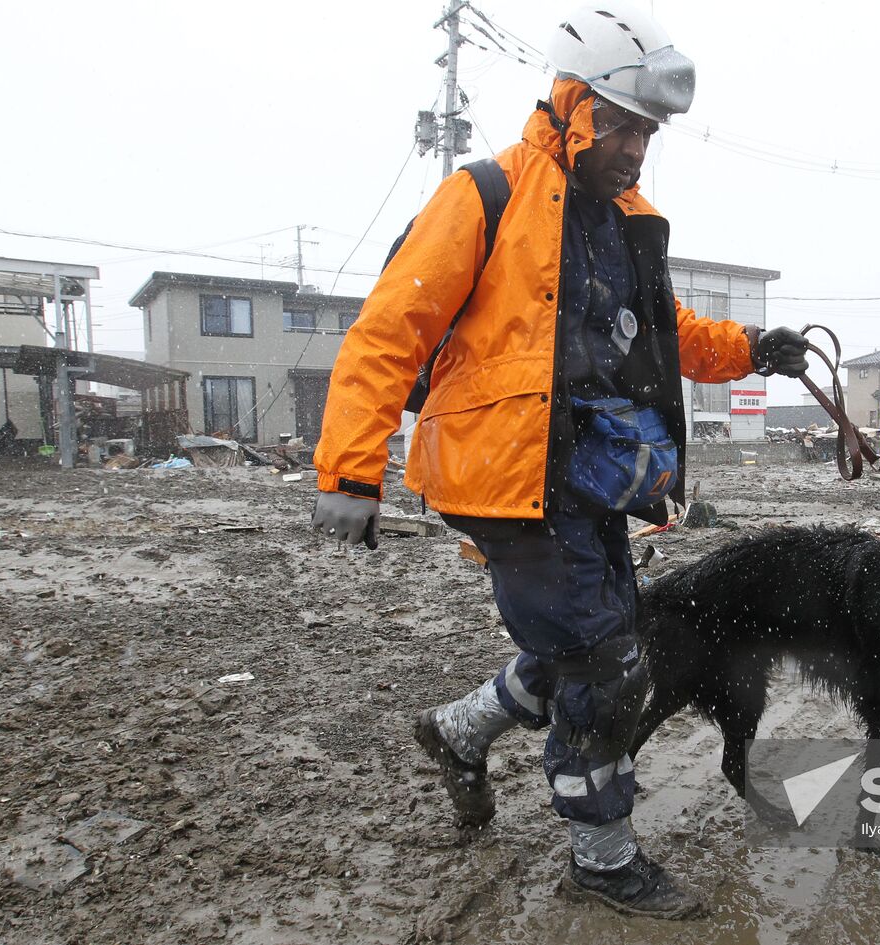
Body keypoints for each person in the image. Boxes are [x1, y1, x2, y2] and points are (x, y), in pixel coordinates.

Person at [309, 1, 809, 921]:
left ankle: (461, 730)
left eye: (647, 135)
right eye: (625, 128)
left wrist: (750, 350)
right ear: (575, 103)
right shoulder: (484, 196)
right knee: (609, 666)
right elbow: (389, 329)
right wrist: (348, 469)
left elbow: (668, 332)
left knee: (600, 644)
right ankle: (602, 856)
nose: (636, 150)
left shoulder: (627, 217)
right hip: (506, 480)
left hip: (592, 479)